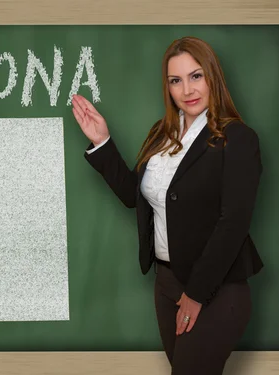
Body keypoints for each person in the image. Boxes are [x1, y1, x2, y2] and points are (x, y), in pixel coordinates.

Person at [71, 36, 264, 375]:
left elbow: (232, 223)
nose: (187, 89)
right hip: (166, 283)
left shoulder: (238, 138)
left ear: (212, 78)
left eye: (196, 76)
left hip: (215, 288)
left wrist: (196, 294)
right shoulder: (161, 134)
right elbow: (136, 196)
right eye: (176, 80)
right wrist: (101, 141)